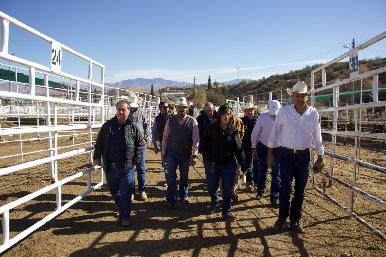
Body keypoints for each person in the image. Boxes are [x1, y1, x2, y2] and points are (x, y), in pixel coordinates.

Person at [267, 81, 324, 233]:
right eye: (297, 95)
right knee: (285, 189)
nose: (299, 98)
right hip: (286, 155)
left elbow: (317, 137)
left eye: (302, 96)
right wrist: (270, 153)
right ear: (292, 96)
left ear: (307, 96)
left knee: (300, 191)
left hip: (304, 156)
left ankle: (295, 220)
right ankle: (282, 218)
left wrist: (320, 156)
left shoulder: (313, 113)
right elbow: (274, 133)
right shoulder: (284, 112)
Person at [93, 99, 144, 227]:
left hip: (127, 167)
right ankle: (122, 208)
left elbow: (140, 144)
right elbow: (99, 142)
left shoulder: (133, 127)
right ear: (116, 111)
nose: (121, 112)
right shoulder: (108, 126)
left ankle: (125, 216)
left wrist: (136, 160)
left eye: (124, 109)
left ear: (128, 111)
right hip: (111, 166)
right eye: (119, 109)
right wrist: (97, 157)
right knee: (114, 190)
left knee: (126, 193)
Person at [200, 104, 247, 221]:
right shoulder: (211, 128)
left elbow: (238, 149)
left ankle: (226, 212)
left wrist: (243, 164)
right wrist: (207, 157)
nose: (227, 116)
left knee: (227, 189)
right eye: (225, 114)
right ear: (220, 115)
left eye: (229, 114)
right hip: (213, 163)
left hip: (228, 164)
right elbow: (203, 143)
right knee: (212, 186)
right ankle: (214, 200)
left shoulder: (232, 130)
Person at [162, 96, 199, 208]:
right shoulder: (170, 120)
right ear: (176, 108)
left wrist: (194, 155)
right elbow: (165, 137)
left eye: (183, 107)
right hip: (172, 153)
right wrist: (163, 153)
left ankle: (184, 195)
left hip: (185, 154)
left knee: (184, 176)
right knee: (171, 176)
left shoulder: (192, 121)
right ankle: (171, 199)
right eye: (179, 107)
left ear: (186, 108)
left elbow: (196, 139)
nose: (181, 109)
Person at [251, 100, 281, 207]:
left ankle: (275, 196)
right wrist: (253, 147)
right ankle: (260, 191)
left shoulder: (283, 117)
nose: (274, 116)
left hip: (278, 148)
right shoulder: (262, 117)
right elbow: (255, 133)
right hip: (264, 146)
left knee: (277, 173)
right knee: (262, 169)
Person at [127, 94, 149, 201]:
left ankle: (142, 190)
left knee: (141, 168)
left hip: (140, 145)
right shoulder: (126, 113)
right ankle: (131, 191)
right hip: (129, 145)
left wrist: (145, 137)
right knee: (130, 169)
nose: (132, 108)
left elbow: (145, 125)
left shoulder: (141, 112)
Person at [197, 102, 218, 206]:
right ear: (205, 110)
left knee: (217, 172)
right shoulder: (200, 119)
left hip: (218, 150)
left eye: (212, 110)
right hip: (207, 150)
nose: (211, 112)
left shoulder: (218, 117)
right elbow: (198, 134)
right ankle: (214, 197)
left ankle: (215, 192)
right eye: (209, 110)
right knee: (209, 173)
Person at [152, 102, 171, 185]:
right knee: (165, 162)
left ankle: (171, 176)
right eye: (165, 107)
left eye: (168, 106)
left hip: (173, 142)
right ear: (160, 109)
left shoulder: (172, 117)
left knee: (171, 161)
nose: (167, 108)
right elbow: (154, 132)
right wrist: (155, 146)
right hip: (162, 143)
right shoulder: (157, 119)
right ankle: (168, 179)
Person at [241, 102, 258, 191]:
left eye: (251, 110)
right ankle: (249, 182)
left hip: (257, 146)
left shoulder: (259, 120)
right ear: (245, 112)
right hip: (246, 146)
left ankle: (256, 182)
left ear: (254, 111)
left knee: (257, 164)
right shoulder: (242, 121)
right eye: (248, 110)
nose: (250, 112)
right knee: (248, 164)